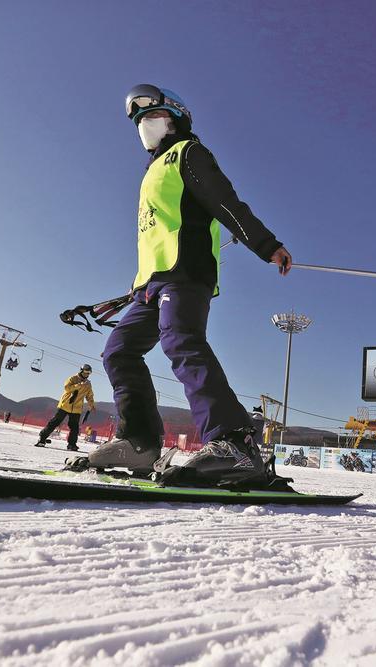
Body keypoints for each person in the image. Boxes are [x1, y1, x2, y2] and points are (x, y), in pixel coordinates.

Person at [86, 84, 292, 488]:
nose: (144, 127)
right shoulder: (153, 171)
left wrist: (266, 245)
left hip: (187, 273)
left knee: (180, 340)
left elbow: (226, 202)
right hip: (151, 283)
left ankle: (234, 443)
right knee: (119, 351)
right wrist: (135, 288)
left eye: (151, 118)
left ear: (175, 118)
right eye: (139, 123)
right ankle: (141, 442)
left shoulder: (189, 154)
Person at [35, 365, 96, 451]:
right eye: (86, 373)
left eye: (89, 373)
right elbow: (67, 388)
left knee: (74, 427)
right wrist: (78, 385)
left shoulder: (88, 384)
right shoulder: (73, 378)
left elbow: (89, 395)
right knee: (55, 422)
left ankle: (72, 444)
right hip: (65, 405)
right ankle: (42, 439)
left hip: (76, 408)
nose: (87, 375)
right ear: (81, 371)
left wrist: (91, 404)